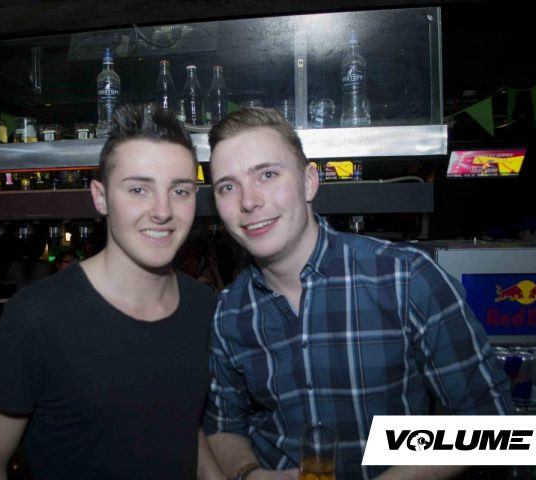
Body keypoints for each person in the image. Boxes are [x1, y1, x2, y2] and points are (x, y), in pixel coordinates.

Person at [202, 108, 514, 480]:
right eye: (227, 186)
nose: (249, 201)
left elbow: (498, 425)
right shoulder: (228, 312)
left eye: (267, 174)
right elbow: (224, 427)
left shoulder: (405, 279)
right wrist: (252, 474)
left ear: (309, 182)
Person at [0, 104, 224, 480]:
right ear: (100, 197)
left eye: (179, 190)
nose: (162, 211)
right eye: (138, 189)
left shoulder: (203, 308)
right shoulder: (35, 318)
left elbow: (179, 423)